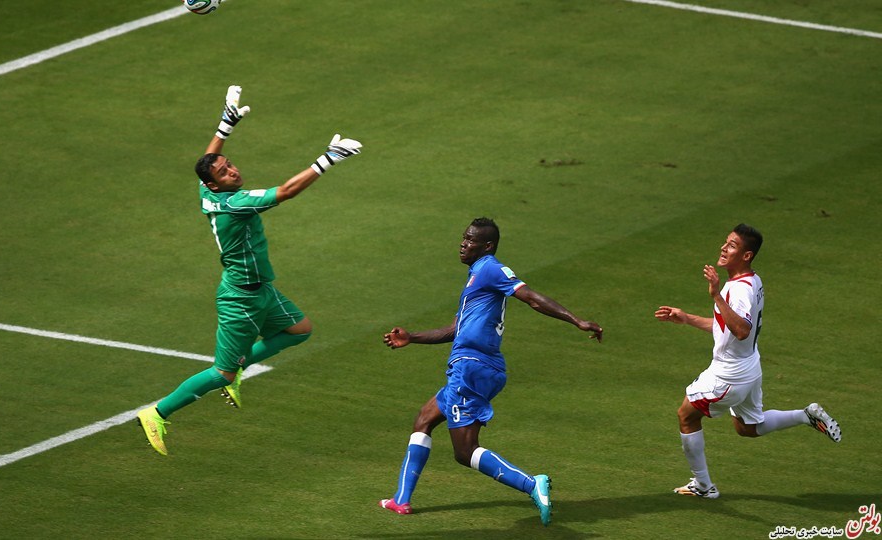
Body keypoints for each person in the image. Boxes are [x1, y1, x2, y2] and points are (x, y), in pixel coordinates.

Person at [137, 85, 362, 456]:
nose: (233, 170)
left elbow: (208, 160)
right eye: (225, 173)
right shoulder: (236, 204)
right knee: (221, 373)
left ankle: (240, 366)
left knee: (300, 329)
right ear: (215, 185)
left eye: (230, 165)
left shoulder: (207, 192)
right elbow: (286, 191)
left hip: (261, 289)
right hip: (240, 298)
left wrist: (224, 127)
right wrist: (328, 159)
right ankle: (157, 412)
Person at [379, 218, 603, 526]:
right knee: (425, 419)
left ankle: (531, 483)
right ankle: (401, 500)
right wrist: (412, 337)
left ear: (488, 246)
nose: (463, 243)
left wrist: (576, 320)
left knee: (464, 451)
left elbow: (531, 298)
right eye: (463, 237)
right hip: (473, 366)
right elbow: (455, 329)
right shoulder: (476, 278)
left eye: (471, 240)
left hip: (472, 368)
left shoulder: (490, 269)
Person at [655, 223, 841, 499]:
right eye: (725, 242)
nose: (723, 248)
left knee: (686, 416)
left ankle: (703, 485)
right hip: (749, 367)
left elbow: (741, 330)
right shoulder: (753, 280)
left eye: (732, 246)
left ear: (746, 255)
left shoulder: (738, 290)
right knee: (747, 428)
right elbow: (728, 327)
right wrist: (687, 319)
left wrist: (716, 295)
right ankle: (805, 415)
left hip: (728, 375)